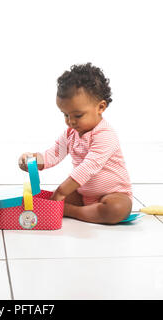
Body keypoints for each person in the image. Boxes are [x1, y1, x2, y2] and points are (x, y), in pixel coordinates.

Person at [19, 63, 132, 224]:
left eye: (78, 115)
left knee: (117, 209)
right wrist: (33, 160)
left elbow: (88, 167)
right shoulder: (71, 133)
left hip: (112, 194)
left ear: (100, 107)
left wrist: (62, 191)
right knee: (50, 199)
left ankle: (72, 211)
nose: (71, 122)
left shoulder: (105, 135)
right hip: (83, 194)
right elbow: (54, 154)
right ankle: (74, 209)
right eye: (65, 115)